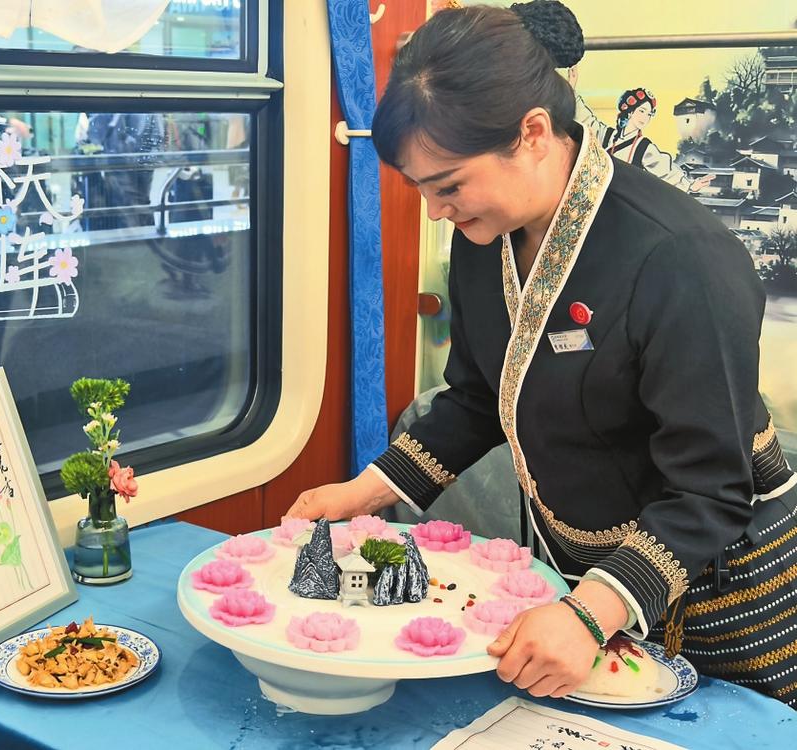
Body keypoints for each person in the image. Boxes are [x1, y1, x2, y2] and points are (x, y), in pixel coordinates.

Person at [286, 1, 797, 708]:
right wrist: (364, 491)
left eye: (448, 185)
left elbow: (710, 488)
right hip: (572, 573)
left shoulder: (683, 258)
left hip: (711, 583)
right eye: (421, 190)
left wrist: (590, 614)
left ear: (531, 134)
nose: (436, 212)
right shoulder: (485, 237)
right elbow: (477, 397)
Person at [569, 72, 715, 193]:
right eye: (642, 111)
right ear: (630, 111)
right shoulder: (607, 135)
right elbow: (587, 119)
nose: (645, 117)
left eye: (649, 114)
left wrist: (690, 185)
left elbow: (666, 171)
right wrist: (571, 89)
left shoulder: (644, 148)